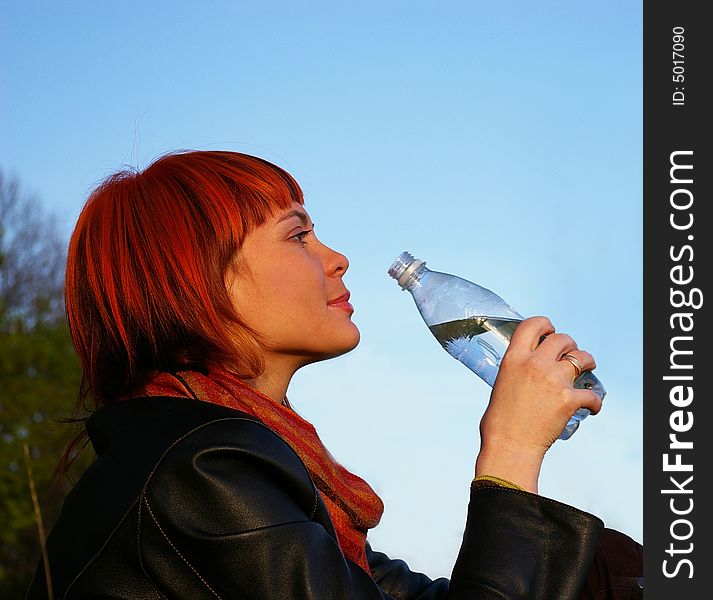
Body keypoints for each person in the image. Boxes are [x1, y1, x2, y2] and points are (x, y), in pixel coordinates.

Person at [27, 150, 642, 599]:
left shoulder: (244, 463)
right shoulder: (199, 473)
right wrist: (510, 447)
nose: (337, 258)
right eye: (298, 235)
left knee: (610, 571)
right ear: (201, 282)